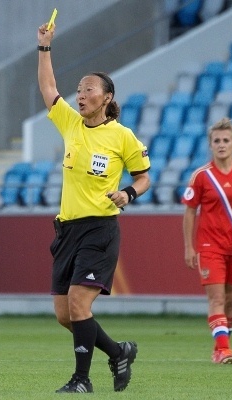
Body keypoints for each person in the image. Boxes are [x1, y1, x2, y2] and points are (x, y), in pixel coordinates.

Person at [37, 21, 151, 393]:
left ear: (106, 97)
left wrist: (129, 194)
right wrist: (44, 47)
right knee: (64, 314)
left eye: (89, 90)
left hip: (99, 229)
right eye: (80, 90)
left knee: (78, 303)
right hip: (67, 229)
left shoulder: (122, 135)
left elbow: (144, 176)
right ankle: (118, 351)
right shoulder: (72, 124)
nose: (81, 95)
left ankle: (81, 380)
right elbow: (49, 88)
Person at [182, 118, 232, 364]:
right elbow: (189, 212)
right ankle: (224, 349)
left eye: (226, 140)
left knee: (230, 302)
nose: (221, 144)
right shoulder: (201, 176)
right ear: (210, 145)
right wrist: (189, 246)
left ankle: (221, 346)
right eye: (216, 141)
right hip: (210, 246)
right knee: (216, 299)